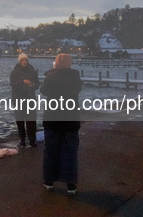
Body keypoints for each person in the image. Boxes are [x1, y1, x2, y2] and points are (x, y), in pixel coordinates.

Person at [40, 53, 82, 195]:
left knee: (51, 150)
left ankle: (49, 181)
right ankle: (71, 185)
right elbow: (77, 90)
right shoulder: (75, 76)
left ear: (56, 63)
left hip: (53, 118)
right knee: (70, 151)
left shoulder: (51, 76)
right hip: (70, 118)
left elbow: (43, 91)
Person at [10, 53, 39, 147]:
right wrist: (22, 82)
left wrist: (33, 85)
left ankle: (32, 140)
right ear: (19, 61)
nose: (24, 62)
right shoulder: (15, 71)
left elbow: (38, 84)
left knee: (31, 120)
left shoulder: (32, 70)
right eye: (22, 60)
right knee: (20, 120)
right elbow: (12, 83)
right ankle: (22, 140)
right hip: (18, 98)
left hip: (30, 98)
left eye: (25, 60)